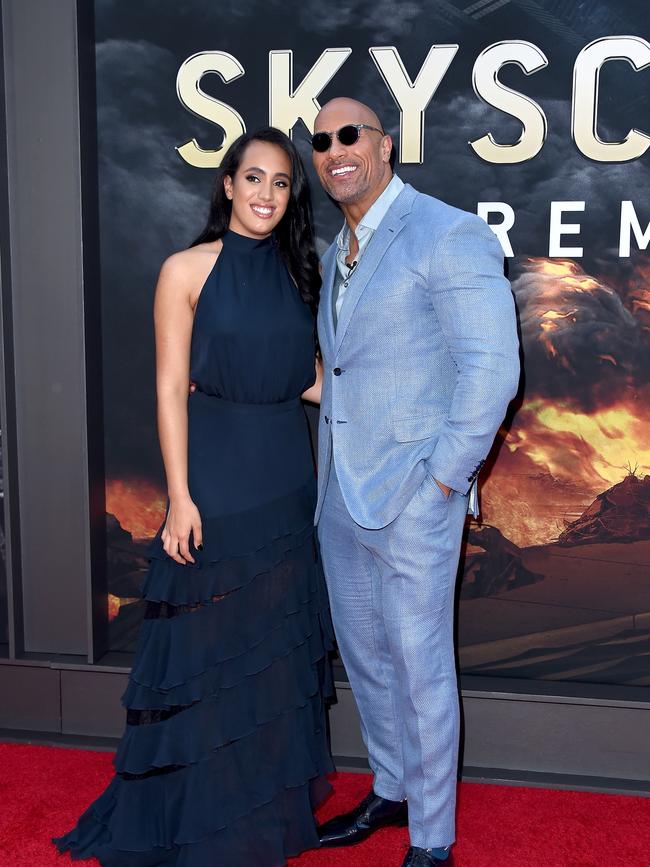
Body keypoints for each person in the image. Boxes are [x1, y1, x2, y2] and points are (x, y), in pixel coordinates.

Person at [54, 127, 334, 867]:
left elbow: (309, 378)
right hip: (215, 470)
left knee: (268, 649)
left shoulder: (297, 269)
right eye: (254, 178)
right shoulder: (185, 269)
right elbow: (169, 389)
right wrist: (178, 495)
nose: (267, 194)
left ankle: (254, 803)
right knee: (209, 648)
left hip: (285, 471)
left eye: (281, 183)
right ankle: (196, 807)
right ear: (228, 184)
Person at [311, 98, 520, 866]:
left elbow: (493, 369)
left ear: (384, 145)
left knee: (420, 663)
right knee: (366, 657)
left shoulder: (448, 231)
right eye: (321, 140)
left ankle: (433, 838)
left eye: (349, 135)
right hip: (340, 494)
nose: (334, 150)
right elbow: (348, 372)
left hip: (412, 498)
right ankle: (392, 789)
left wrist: (443, 479)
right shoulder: (339, 252)